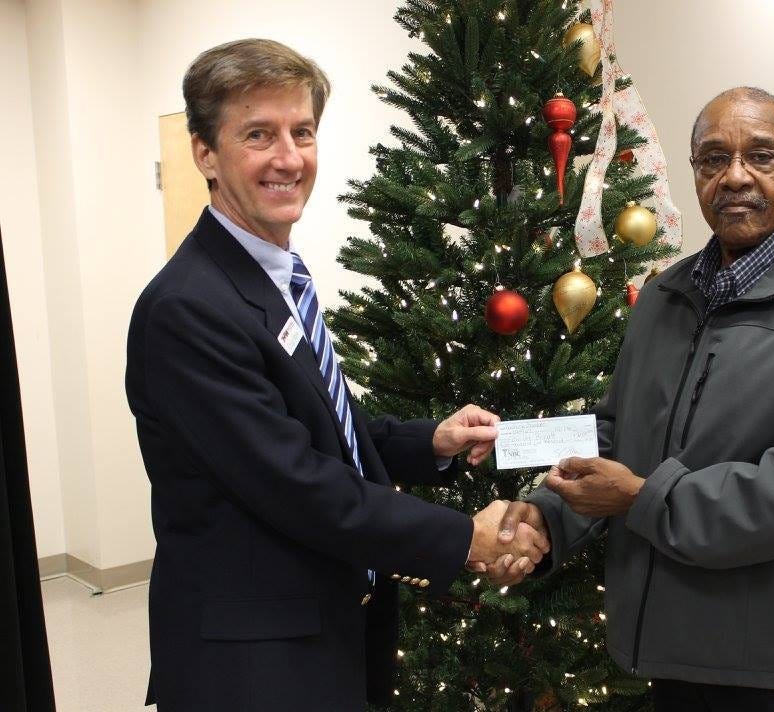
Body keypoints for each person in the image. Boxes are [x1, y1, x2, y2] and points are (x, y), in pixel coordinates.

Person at [125, 39, 546, 712]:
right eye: (257, 134)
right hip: (253, 661)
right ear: (204, 152)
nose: (288, 158)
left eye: (302, 132)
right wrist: (464, 538)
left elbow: (326, 424)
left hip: (319, 629)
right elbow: (297, 483)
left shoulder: (276, 276)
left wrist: (428, 440)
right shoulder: (188, 310)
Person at [490, 87, 774, 712]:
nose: (736, 176)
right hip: (677, 655)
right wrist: (550, 513)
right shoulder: (665, 296)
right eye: (713, 158)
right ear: (694, 174)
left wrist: (640, 499)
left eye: (761, 156)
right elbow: (615, 435)